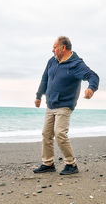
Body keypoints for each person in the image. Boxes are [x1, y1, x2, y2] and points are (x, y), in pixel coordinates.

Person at [33, 36, 99, 175]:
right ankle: (48, 163)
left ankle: (71, 164)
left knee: (60, 133)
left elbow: (93, 76)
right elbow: (45, 78)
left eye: (55, 47)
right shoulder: (52, 61)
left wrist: (91, 88)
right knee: (46, 134)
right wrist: (39, 95)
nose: (52, 50)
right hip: (50, 104)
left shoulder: (76, 65)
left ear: (63, 48)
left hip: (65, 105)